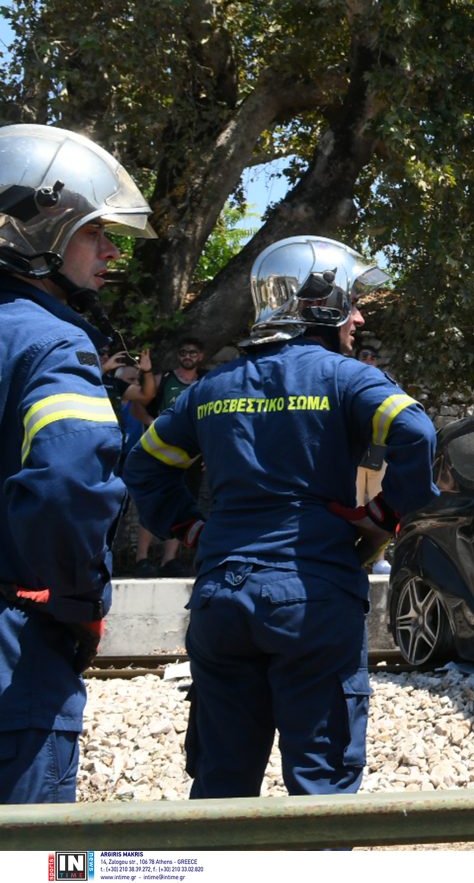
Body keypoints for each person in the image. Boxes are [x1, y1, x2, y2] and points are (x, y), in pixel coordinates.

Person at [123, 235, 437, 798]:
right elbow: (416, 431)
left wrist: (190, 528)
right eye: (352, 303)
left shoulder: (210, 390)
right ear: (321, 304)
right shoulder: (346, 378)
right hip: (312, 597)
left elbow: (144, 465)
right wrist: (382, 516)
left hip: (222, 598)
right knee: (321, 788)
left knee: (221, 784)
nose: (359, 318)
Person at [0, 123, 155, 803]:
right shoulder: (55, 345)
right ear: (42, 232)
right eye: (96, 232)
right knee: (36, 854)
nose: (112, 252)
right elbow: (66, 484)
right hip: (15, 649)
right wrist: (79, 605)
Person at [131, 338, 206, 576]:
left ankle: (169, 560)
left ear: (201, 356)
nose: (188, 356)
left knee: (184, 503)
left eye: (193, 352)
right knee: (154, 501)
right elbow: (138, 406)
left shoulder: (207, 382)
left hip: (192, 454)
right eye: (183, 352)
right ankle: (142, 558)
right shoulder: (163, 379)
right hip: (160, 451)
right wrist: (152, 424)